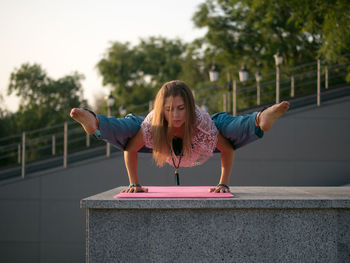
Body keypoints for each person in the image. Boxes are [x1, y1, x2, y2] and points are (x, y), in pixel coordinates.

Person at [70, 80, 290, 194]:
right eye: (169, 109)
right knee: (127, 128)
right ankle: (94, 122)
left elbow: (227, 149)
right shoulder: (152, 123)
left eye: (181, 108)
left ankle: (261, 119)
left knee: (230, 128)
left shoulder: (201, 123)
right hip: (160, 142)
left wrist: (223, 184)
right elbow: (129, 148)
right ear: (161, 109)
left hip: (200, 143)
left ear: (190, 107)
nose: (175, 115)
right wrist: (134, 183)